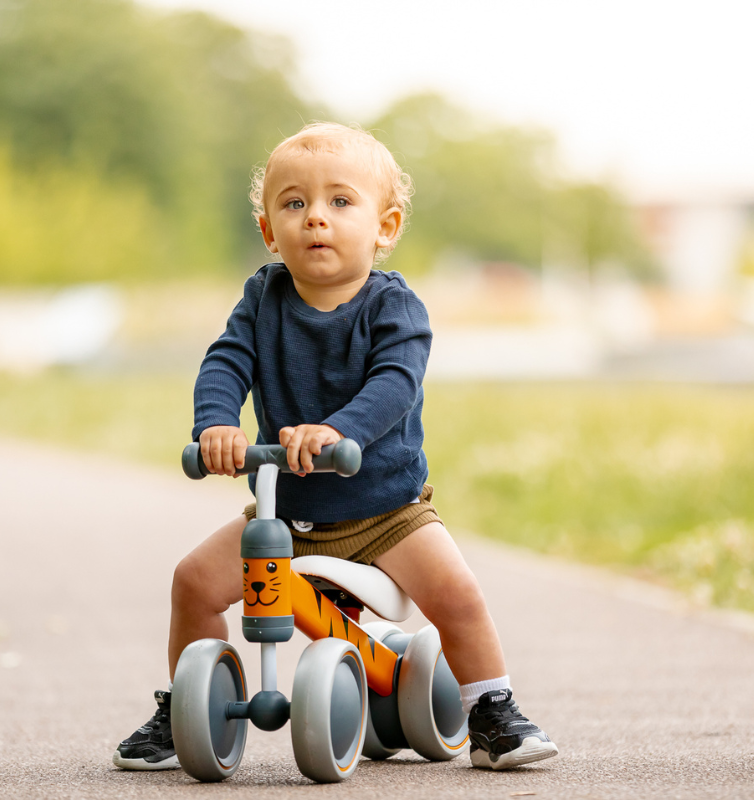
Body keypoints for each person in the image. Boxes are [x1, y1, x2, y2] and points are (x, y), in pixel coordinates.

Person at [113, 122, 558, 772]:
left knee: (457, 593)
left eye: (340, 202)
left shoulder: (394, 309)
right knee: (193, 582)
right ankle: (188, 705)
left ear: (385, 224)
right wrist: (216, 424)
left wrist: (337, 432)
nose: (316, 217)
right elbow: (225, 363)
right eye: (294, 203)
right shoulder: (262, 300)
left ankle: (492, 710)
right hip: (284, 514)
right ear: (269, 230)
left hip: (387, 513)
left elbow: (393, 388)